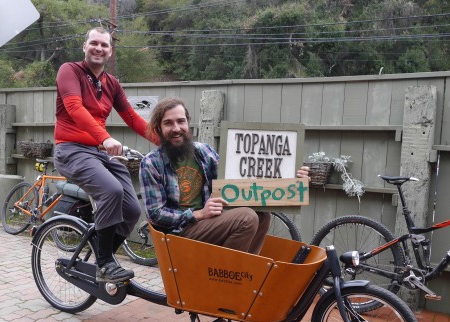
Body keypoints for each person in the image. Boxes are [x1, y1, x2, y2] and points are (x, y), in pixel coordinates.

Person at [53, 27, 158, 283]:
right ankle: (104, 265)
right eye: (94, 43)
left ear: (110, 52)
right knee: (111, 191)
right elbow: (74, 107)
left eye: (104, 45)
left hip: (98, 152)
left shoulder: (112, 84)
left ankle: (104, 255)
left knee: (132, 209)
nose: (99, 48)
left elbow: (132, 118)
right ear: (85, 46)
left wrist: (164, 142)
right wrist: (105, 137)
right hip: (71, 149)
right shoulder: (70, 70)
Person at [139, 97, 309, 254]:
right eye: (168, 123)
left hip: (209, 223)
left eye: (181, 121)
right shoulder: (151, 164)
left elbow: (237, 180)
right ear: (158, 129)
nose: (176, 128)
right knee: (246, 217)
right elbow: (155, 214)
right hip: (179, 232)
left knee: (262, 214)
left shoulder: (203, 151)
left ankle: (243, 270)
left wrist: (290, 179)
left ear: (188, 123)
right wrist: (197, 214)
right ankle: (226, 275)